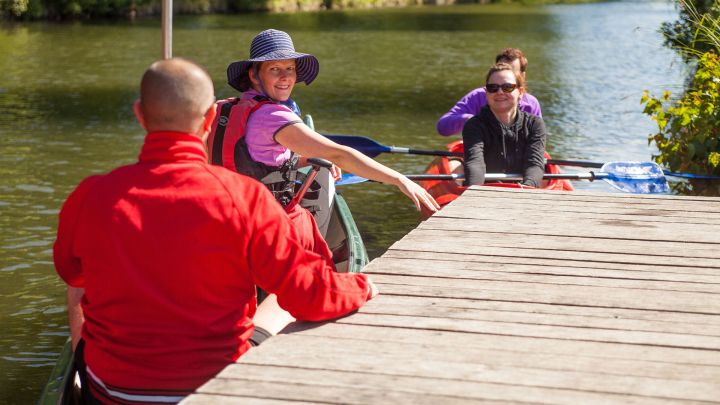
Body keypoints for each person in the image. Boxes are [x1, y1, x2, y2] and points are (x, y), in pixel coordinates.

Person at [53, 57, 377, 404]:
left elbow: (70, 271)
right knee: (282, 300)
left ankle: (78, 378)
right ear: (209, 119)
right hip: (214, 389)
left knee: (79, 284)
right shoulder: (246, 198)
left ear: (139, 115)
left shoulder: (92, 195)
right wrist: (361, 285)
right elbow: (309, 294)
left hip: (112, 391)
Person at [209, 29, 440, 253]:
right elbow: (339, 154)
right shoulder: (273, 116)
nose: (285, 77)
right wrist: (400, 179)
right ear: (253, 74)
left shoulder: (226, 109)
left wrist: (309, 159)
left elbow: (250, 160)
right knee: (310, 231)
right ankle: (310, 268)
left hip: (226, 212)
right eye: (275, 69)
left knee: (321, 168)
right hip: (265, 220)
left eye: (290, 68)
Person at [463, 62, 546, 188]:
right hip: (486, 193)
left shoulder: (535, 124)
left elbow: (534, 165)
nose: (500, 92)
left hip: (523, 192)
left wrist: (525, 190)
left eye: (507, 87)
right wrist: (476, 193)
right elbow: (475, 164)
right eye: (493, 88)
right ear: (486, 93)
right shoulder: (473, 125)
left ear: (521, 92)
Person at [436, 48, 542, 137]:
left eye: (511, 72)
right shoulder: (477, 96)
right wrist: (471, 119)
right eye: (501, 69)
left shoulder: (531, 104)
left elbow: (537, 140)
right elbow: (443, 127)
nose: (500, 92)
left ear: (522, 77)